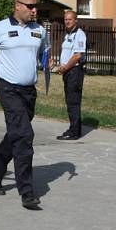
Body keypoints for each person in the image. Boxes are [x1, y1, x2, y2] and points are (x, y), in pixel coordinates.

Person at [0, 0, 50, 210]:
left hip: (29, 92)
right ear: (17, 5)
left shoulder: (39, 31)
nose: (34, 10)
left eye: (35, 6)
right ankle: (26, 192)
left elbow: (44, 53)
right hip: (8, 89)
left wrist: (49, 62)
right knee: (25, 136)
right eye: (30, 6)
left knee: (15, 135)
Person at [52, 10, 87, 140]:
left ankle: (74, 132)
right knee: (70, 101)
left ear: (75, 20)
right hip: (67, 71)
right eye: (65, 19)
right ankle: (74, 128)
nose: (67, 21)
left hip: (74, 72)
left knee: (73, 102)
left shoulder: (79, 34)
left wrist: (65, 67)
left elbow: (78, 55)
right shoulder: (67, 35)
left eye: (70, 19)